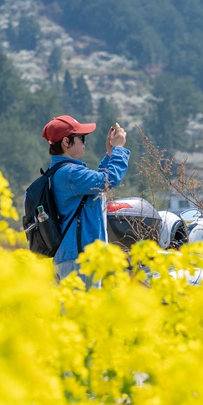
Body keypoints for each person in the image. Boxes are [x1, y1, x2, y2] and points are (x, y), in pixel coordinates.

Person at [41, 114, 129, 281]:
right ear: (66, 142)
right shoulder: (71, 173)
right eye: (81, 138)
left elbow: (97, 184)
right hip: (80, 260)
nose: (84, 143)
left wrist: (110, 155)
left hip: (72, 258)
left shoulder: (61, 171)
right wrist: (118, 149)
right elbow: (109, 180)